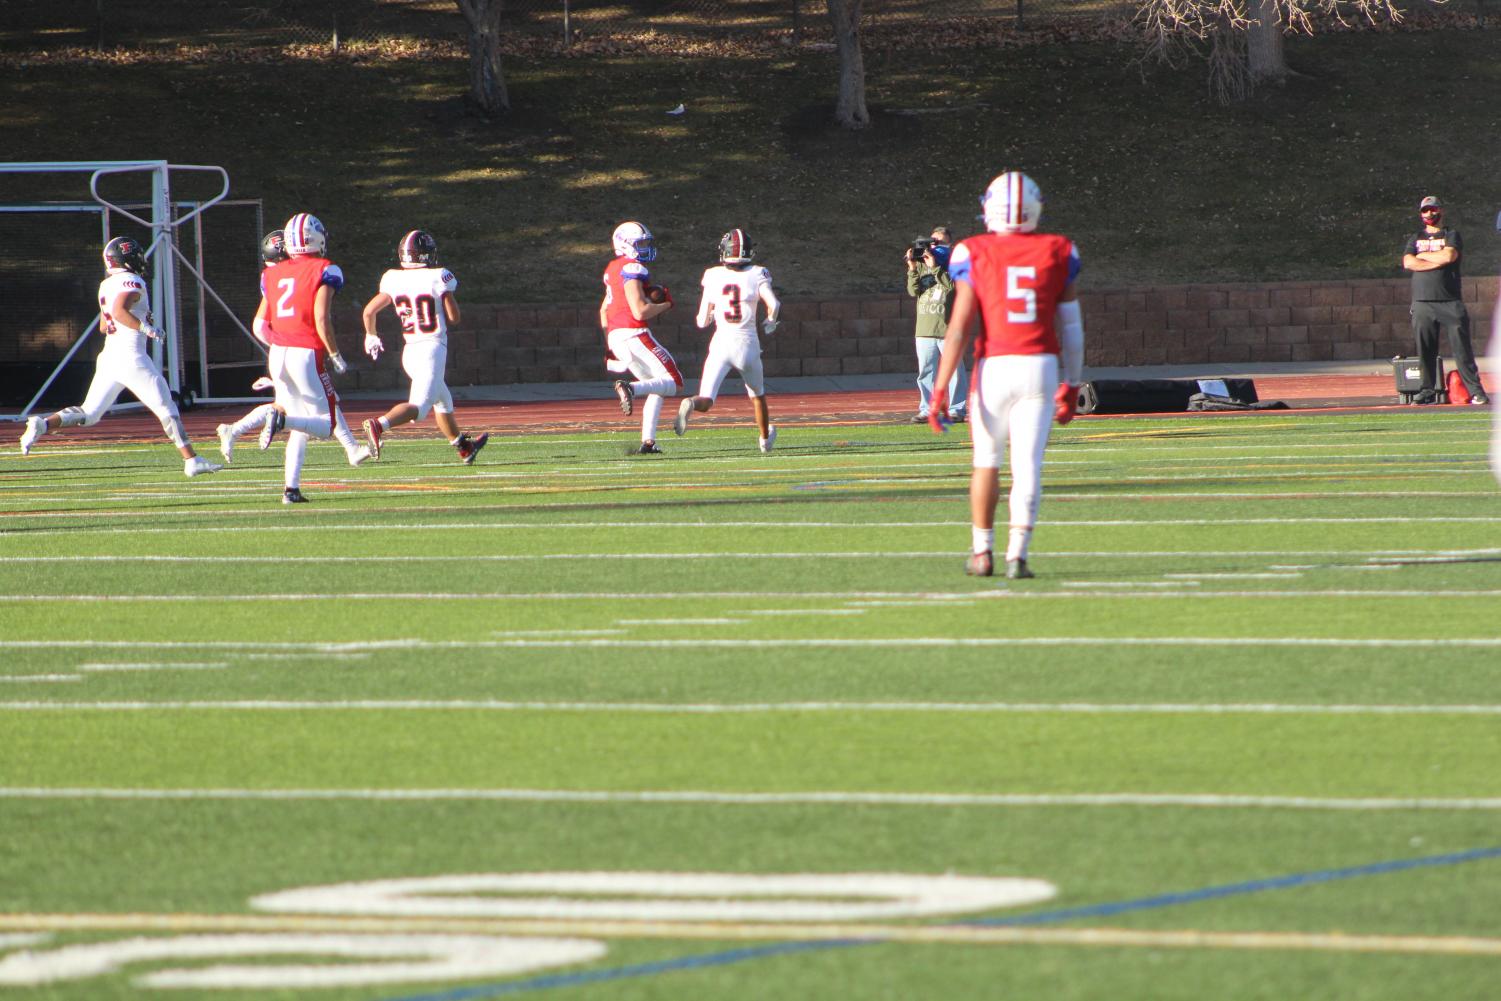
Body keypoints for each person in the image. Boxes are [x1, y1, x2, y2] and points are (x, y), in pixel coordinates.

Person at [927, 171, 1084, 580]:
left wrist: (940, 388)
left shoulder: (973, 251)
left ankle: (982, 553)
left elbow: (959, 327)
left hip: (995, 367)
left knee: (986, 462)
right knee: (1028, 465)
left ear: (988, 209)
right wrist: (1074, 382)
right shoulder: (1058, 249)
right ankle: (1018, 555)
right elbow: (1072, 327)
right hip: (1041, 366)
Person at [18, 237, 222, 477]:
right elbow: (117, 311)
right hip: (131, 357)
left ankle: (43, 424)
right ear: (126, 258)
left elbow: (105, 325)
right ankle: (192, 460)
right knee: (167, 408)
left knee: (90, 413)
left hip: (110, 356)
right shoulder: (132, 280)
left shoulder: (106, 284)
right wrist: (145, 327)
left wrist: (135, 319)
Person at [215, 229, 372, 468]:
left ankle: (236, 432)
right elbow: (261, 324)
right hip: (294, 347)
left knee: (293, 408)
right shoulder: (285, 274)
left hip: (285, 349)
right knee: (308, 411)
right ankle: (350, 449)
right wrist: (287, 349)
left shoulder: (276, 274)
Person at [358, 230, 488, 464]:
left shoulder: (392, 278)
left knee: (442, 400)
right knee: (418, 410)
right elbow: (454, 317)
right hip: (432, 349)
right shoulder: (439, 276)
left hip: (410, 352)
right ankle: (379, 425)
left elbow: (369, 311)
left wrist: (371, 335)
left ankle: (463, 447)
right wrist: (447, 295)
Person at [250, 212, 354, 504]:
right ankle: (279, 421)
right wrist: (334, 353)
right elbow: (321, 317)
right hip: (305, 352)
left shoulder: (271, 273)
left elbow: (262, 322)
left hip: (278, 353)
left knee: (302, 424)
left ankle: (290, 489)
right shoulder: (325, 268)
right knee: (325, 423)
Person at [674, 229, 782, 452]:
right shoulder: (757, 273)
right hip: (747, 345)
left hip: (721, 343)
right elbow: (775, 304)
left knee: (707, 399)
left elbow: (701, 322)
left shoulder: (713, 275)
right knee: (757, 395)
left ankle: (692, 403)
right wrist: (771, 321)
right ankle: (764, 440)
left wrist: (713, 314)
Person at [601, 220, 683, 454]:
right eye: (641, 243)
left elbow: (603, 311)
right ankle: (630, 388)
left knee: (657, 385)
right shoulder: (633, 268)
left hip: (617, 335)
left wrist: (610, 345)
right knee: (675, 382)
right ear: (625, 244)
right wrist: (667, 303)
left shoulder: (612, 269)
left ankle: (648, 442)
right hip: (634, 332)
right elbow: (640, 311)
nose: (645, 247)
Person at [1402, 196, 1488, 405]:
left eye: (1432, 209)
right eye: (1425, 210)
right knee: (1425, 350)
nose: (1429, 214)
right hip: (1423, 302)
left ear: (1441, 210)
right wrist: (1433, 258)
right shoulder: (1415, 237)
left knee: (1462, 349)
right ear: (1420, 213)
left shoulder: (1451, 234)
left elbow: (1448, 257)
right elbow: (1407, 262)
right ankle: (1427, 390)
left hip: (1450, 301)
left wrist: (1422, 257)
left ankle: (1475, 390)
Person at [906, 225, 967, 424]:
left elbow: (952, 287)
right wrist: (913, 269)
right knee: (925, 372)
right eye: (932, 241)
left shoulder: (956, 264)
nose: (934, 246)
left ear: (950, 244)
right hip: (925, 328)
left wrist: (936, 267)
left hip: (948, 328)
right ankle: (926, 409)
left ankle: (957, 409)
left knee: (955, 372)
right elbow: (913, 291)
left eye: (939, 242)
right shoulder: (923, 264)